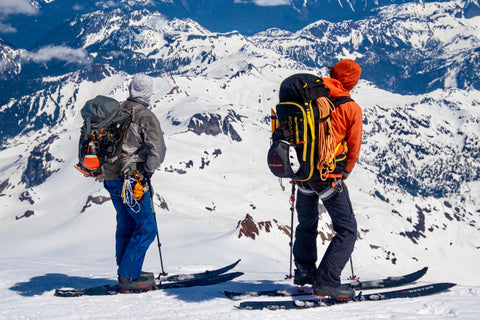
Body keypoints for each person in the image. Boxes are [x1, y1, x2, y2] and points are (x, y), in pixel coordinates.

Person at [292, 59, 363, 300]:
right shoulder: (351, 108)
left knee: (307, 223)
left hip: (303, 172)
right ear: (351, 81)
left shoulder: (308, 93)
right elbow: (353, 148)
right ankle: (327, 281)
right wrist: (345, 172)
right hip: (327, 174)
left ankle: (304, 272)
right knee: (347, 228)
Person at [103, 74, 166, 292]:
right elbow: (158, 152)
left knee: (126, 224)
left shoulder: (116, 110)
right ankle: (128, 277)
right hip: (132, 181)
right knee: (146, 227)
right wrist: (147, 171)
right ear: (148, 92)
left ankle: (127, 270)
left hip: (110, 177)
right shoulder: (145, 116)